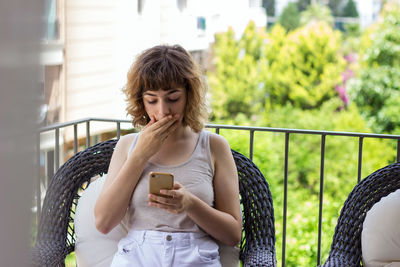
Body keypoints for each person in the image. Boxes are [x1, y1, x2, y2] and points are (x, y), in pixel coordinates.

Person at [94, 44, 242, 267]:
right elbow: (104, 222)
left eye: (172, 98)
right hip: (137, 256)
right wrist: (140, 155)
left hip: (195, 257)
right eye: (152, 100)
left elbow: (233, 234)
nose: (163, 111)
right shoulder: (127, 146)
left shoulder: (213, 146)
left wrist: (190, 204)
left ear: (189, 96)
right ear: (141, 102)